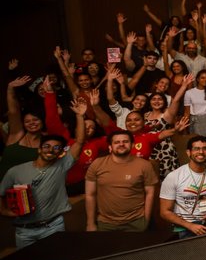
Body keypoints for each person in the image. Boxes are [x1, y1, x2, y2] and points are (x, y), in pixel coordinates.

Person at [0, 100, 87, 247]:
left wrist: (80, 116)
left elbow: (79, 142)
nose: (50, 150)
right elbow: (1, 192)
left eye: (56, 148)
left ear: (60, 153)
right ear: (39, 149)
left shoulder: (61, 166)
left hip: (53, 226)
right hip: (24, 230)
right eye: (46, 146)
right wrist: (4, 211)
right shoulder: (15, 171)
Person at [85, 129, 160, 232]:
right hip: (105, 223)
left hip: (136, 222)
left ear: (132, 145)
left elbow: (150, 193)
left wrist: (145, 220)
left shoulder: (144, 165)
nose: (121, 144)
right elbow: (90, 195)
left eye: (125, 141)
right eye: (117, 142)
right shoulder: (97, 164)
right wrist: (90, 223)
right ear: (110, 147)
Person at [159, 134, 206, 237]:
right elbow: (164, 212)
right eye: (196, 149)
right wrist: (190, 226)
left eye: (205, 148)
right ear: (188, 152)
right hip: (185, 227)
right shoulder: (174, 176)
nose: (201, 152)